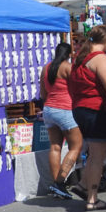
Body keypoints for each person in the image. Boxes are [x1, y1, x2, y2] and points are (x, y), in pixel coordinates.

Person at [67, 25, 106, 210]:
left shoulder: (80, 59)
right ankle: (92, 198)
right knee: (97, 155)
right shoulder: (99, 58)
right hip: (96, 109)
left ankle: (82, 185)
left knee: (103, 149)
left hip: (81, 108)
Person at [40, 42, 83, 200]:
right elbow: (76, 89)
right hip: (65, 109)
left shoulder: (46, 68)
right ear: (70, 54)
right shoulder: (68, 68)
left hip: (48, 110)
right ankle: (59, 182)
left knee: (55, 147)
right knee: (76, 146)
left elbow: (43, 94)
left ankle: (56, 185)